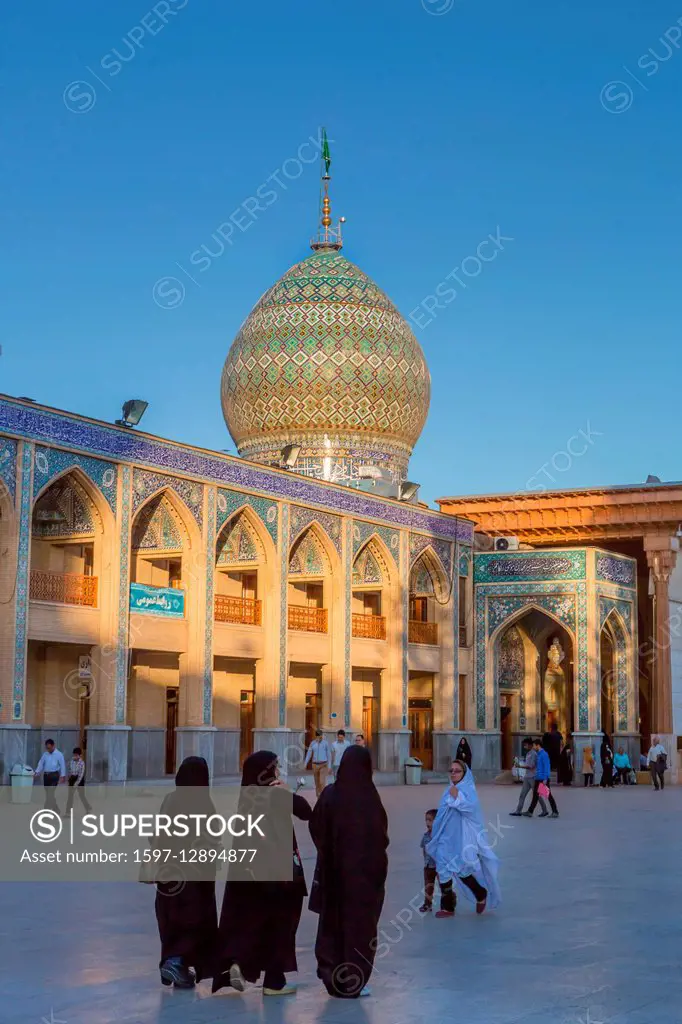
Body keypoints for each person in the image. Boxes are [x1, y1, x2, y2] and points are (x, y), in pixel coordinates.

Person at [212, 751, 312, 997]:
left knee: (251, 920)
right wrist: (287, 792)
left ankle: (240, 961)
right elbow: (306, 811)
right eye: (275, 767)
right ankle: (273, 980)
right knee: (280, 924)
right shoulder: (275, 793)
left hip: (249, 872)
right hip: (279, 874)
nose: (278, 771)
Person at [309, 744, 388, 998]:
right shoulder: (370, 799)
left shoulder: (331, 794)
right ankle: (353, 980)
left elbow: (315, 825)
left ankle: (331, 976)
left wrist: (328, 851)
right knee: (359, 929)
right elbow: (381, 839)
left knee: (333, 924)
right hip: (363, 881)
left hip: (334, 876)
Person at [153, 756, 218, 988]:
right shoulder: (203, 802)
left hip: (168, 874)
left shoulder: (170, 799)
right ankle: (176, 960)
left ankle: (176, 966)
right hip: (192, 877)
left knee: (170, 919)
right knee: (192, 920)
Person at [426, 759, 501, 917]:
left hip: (461, 839)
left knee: (462, 870)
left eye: (457, 770)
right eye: (451, 770)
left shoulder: (467, 790)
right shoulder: (449, 789)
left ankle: (481, 894)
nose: (453, 773)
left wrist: (458, 796)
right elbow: (442, 814)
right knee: (442, 868)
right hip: (445, 837)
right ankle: (448, 907)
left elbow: (471, 809)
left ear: (464, 773)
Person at [525, 739, 559, 817]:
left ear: (538, 745)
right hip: (538, 778)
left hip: (543, 779)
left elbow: (547, 767)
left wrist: (546, 778)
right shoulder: (539, 754)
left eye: (534, 745)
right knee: (535, 796)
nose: (533, 747)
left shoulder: (544, 754)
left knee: (548, 795)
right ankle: (530, 811)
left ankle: (555, 812)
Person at [34, 739, 66, 811]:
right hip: (46, 776)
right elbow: (41, 764)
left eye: (49, 748)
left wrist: (62, 776)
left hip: (54, 776)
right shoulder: (45, 754)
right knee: (48, 793)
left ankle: (46, 809)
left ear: (53, 746)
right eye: (47, 748)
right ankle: (56, 808)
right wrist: (36, 772)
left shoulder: (59, 754)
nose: (48, 750)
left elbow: (62, 765)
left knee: (50, 793)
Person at [509, 739, 537, 816]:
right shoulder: (528, 753)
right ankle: (518, 811)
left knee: (537, 795)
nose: (525, 746)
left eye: (526, 745)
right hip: (527, 777)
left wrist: (520, 766)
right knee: (522, 794)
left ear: (530, 745)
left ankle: (545, 810)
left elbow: (531, 766)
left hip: (533, 777)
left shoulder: (533, 754)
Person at [419, 808, 438, 912]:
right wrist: (425, 862)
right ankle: (427, 904)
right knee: (428, 887)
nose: (427, 822)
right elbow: (424, 849)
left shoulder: (440, 837)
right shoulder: (425, 836)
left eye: (430, 820)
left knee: (445, 886)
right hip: (428, 866)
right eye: (426, 820)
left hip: (439, 866)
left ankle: (450, 902)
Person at [64, 747, 92, 816]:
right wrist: (68, 779)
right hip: (72, 778)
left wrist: (76, 784)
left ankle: (88, 808)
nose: (75, 756)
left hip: (80, 779)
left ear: (80, 755)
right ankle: (68, 812)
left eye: (76, 755)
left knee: (81, 795)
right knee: (70, 796)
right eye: (74, 755)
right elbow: (70, 770)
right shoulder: (71, 761)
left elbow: (81, 774)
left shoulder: (82, 763)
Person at [305, 730, 331, 796]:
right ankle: (318, 799)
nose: (319, 737)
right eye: (318, 736)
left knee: (322, 782)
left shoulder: (325, 743)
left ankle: (323, 796)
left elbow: (329, 755)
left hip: (323, 764)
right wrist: (305, 763)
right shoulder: (312, 743)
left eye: (320, 736)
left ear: (322, 735)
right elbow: (309, 754)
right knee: (317, 783)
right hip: (315, 765)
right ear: (316, 736)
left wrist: (329, 766)